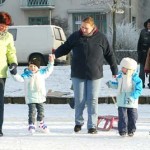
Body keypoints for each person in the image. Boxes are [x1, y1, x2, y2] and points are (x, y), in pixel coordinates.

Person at [52, 16, 118, 134]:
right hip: (78, 73)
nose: (83, 29)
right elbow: (65, 47)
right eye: (82, 27)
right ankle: (78, 122)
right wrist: (55, 54)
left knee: (92, 99)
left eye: (86, 28)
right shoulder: (75, 36)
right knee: (80, 99)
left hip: (95, 73)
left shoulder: (101, 38)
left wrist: (115, 70)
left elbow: (110, 54)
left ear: (93, 27)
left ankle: (92, 125)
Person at [9, 55, 54, 134]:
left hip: (40, 96)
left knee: (41, 111)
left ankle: (40, 123)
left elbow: (49, 70)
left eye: (34, 66)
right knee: (32, 111)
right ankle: (31, 124)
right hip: (31, 97)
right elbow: (19, 79)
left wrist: (51, 62)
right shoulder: (26, 75)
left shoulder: (42, 73)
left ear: (38, 67)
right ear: (28, 67)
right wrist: (14, 73)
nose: (32, 67)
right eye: (31, 66)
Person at [106, 57, 143, 137]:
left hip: (131, 102)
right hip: (121, 100)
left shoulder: (136, 79)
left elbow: (138, 90)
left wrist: (133, 97)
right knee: (122, 117)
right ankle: (122, 130)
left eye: (124, 67)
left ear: (129, 69)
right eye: (122, 67)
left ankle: (131, 130)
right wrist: (111, 84)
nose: (122, 68)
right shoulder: (120, 77)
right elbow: (117, 85)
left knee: (133, 117)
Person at [0, 12, 18, 137]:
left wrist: (13, 63)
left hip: (1, 73)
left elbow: (11, 52)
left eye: (6, 26)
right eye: (2, 25)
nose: (4, 28)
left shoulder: (8, 36)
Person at [137, 19, 150, 88]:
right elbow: (139, 43)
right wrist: (139, 53)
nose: (149, 25)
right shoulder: (142, 31)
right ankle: (141, 84)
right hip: (143, 54)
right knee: (141, 71)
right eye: (148, 24)